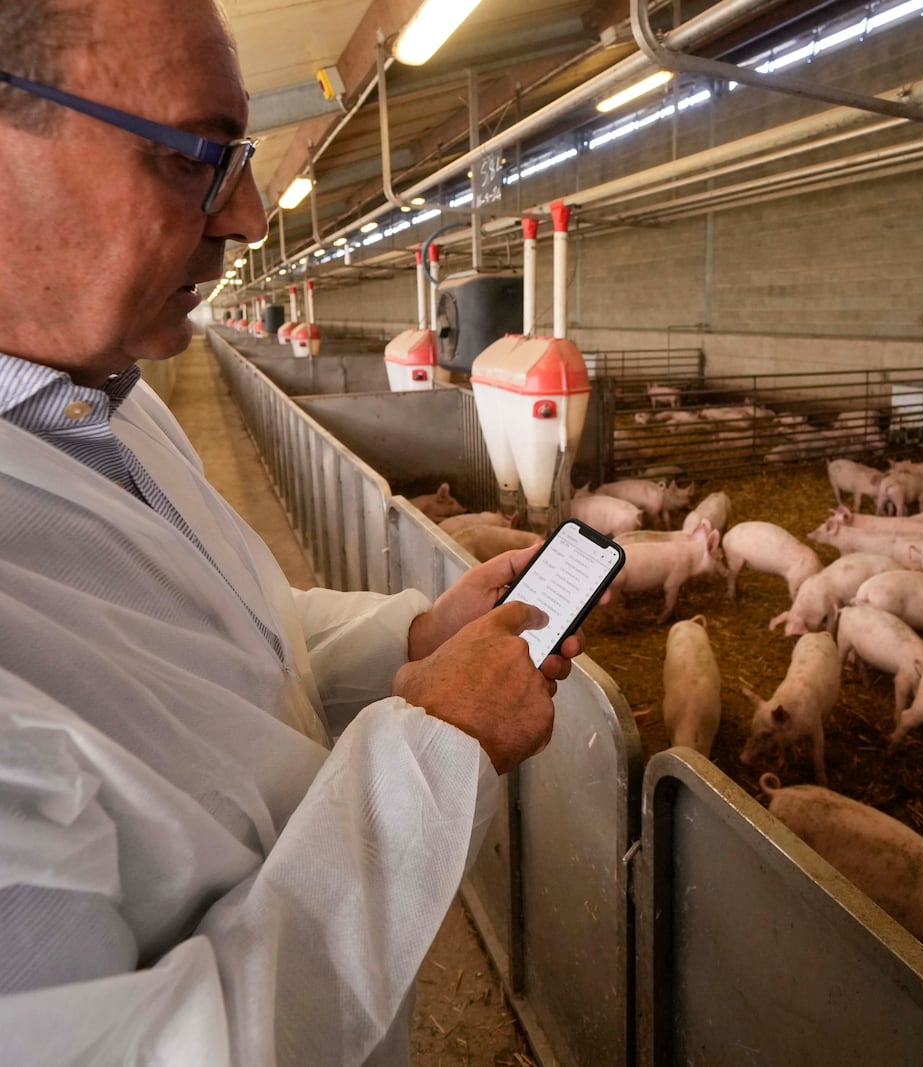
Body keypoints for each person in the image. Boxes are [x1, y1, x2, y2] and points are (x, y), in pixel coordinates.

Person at [0, 1, 581, 1062]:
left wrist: (413, 638)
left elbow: (227, 627)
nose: (252, 216)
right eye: (195, 156)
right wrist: (434, 750)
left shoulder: (108, 393)